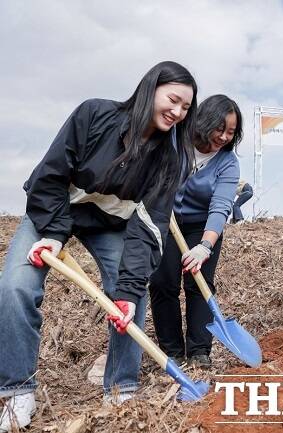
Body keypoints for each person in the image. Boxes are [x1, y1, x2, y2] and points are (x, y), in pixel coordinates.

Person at [0, 61, 197, 431]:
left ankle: (121, 388)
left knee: (131, 296)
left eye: (186, 108)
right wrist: (55, 233)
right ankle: (16, 392)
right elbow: (52, 173)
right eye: (173, 100)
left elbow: (149, 226)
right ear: (150, 89)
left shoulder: (170, 158)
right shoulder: (95, 113)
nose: (178, 112)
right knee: (14, 287)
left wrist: (126, 289)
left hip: (109, 224)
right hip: (53, 212)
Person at [149, 95, 241, 368]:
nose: (224, 137)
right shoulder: (176, 141)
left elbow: (221, 206)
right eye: (219, 129)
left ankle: (200, 350)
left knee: (199, 284)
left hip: (202, 226)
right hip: (165, 220)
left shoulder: (227, 162)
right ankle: (172, 350)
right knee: (163, 282)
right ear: (204, 121)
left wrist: (205, 246)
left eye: (231, 132)